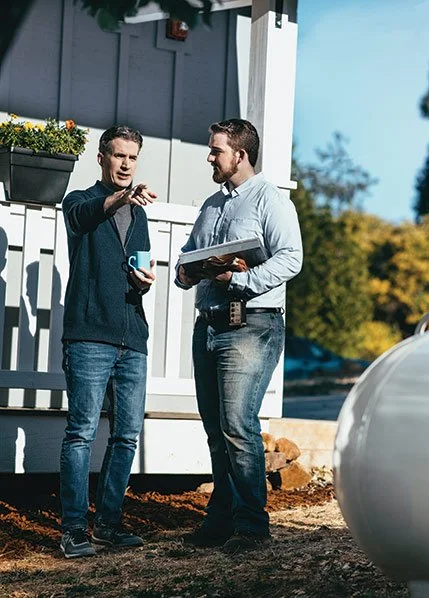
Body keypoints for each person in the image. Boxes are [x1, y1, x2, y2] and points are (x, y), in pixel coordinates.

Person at [176, 119, 302, 553]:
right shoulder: (212, 205)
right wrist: (189, 269)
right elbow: (185, 261)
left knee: (238, 425)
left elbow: (291, 258)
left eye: (216, 150)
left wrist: (241, 280)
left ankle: (251, 526)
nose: (210, 157)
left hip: (252, 326)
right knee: (215, 429)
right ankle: (222, 518)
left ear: (240, 155)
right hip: (208, 323)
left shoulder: (272, 200)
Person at [59, 125, 158, 558]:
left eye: (132, 158)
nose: (126, 164)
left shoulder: (140, 216)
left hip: (131, 336)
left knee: (127, 436)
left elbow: (143, 271)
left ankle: (109, 524)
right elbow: (84, 218)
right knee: (81, 433)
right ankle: (74, 529)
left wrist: (144, 281)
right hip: (88, 335)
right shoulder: (79, 201)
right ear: (101, 157)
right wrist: (120, 197)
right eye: (119, 156)